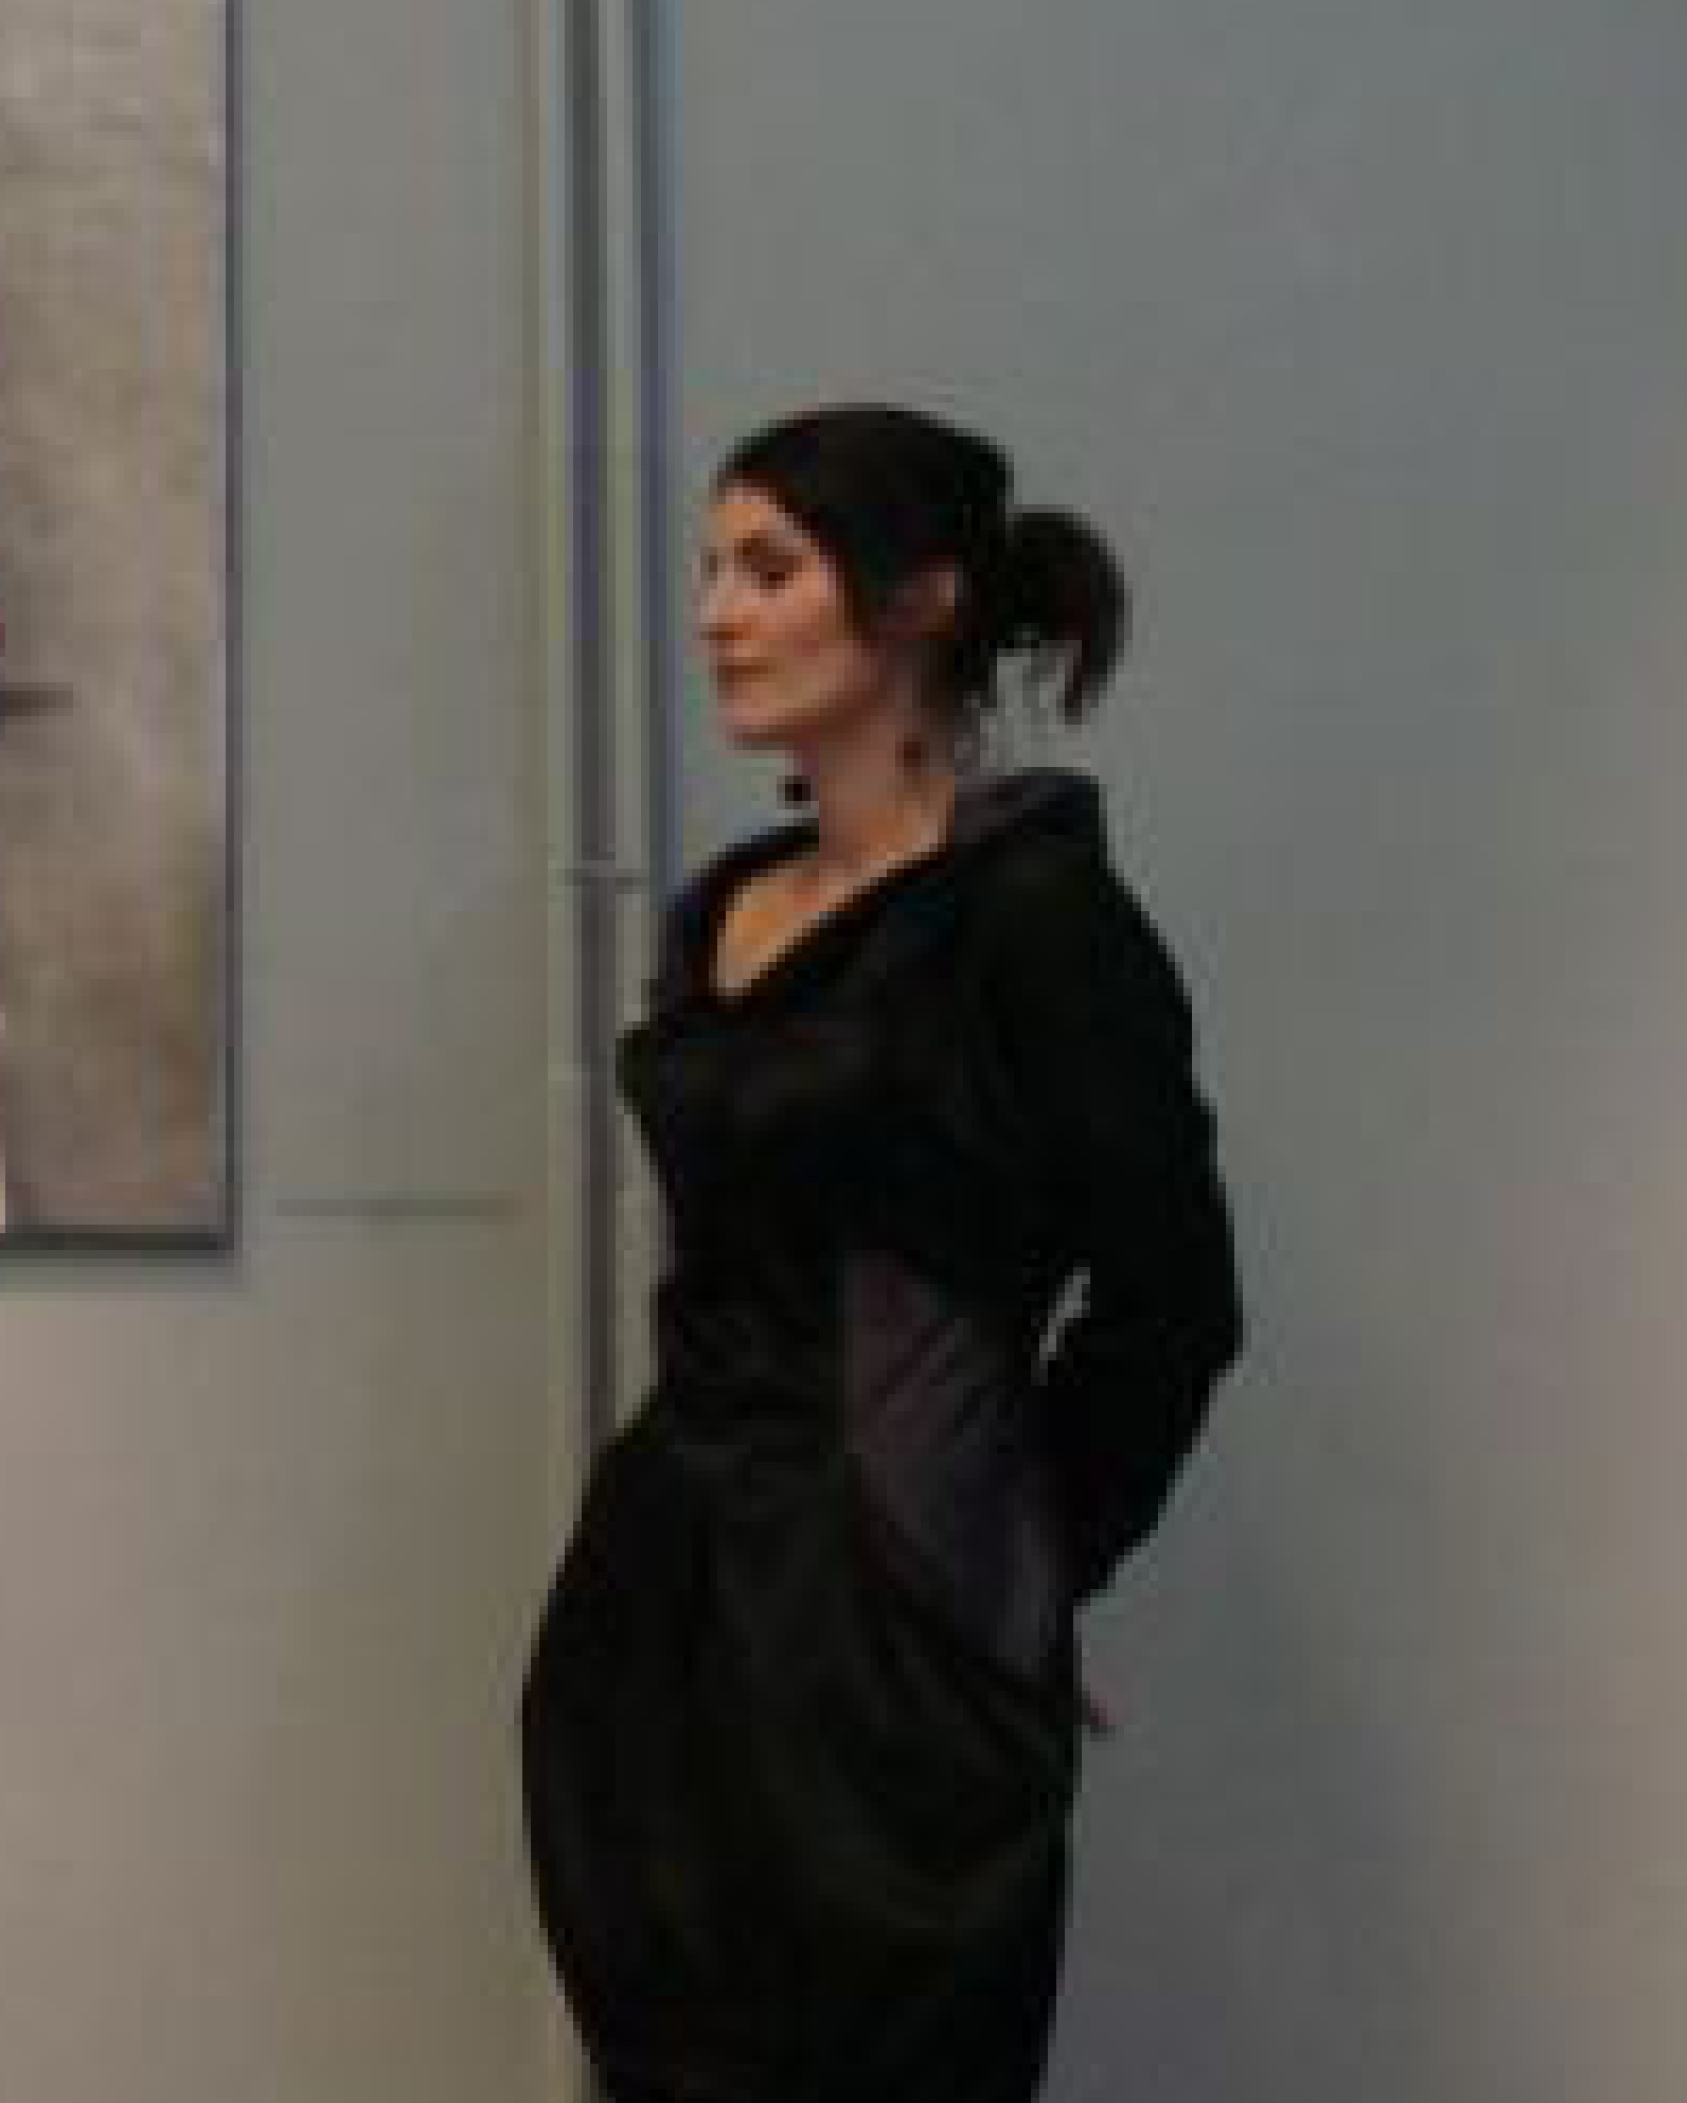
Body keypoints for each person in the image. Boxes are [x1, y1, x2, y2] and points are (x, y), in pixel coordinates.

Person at [523, 402, 1244, 2101]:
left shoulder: (1037, 915)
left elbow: (1173, 1298)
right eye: (710, 567)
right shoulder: (725, 906)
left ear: (919, 599)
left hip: (882, 1665)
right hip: (662, 1623)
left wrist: (1018, 1566)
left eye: (768, 567)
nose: (714, 612)